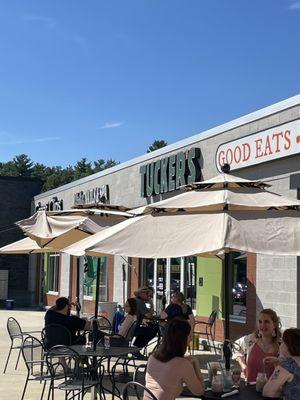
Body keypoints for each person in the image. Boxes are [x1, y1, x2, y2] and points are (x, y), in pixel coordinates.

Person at [145, 318, 205, 400]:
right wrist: (195, 362)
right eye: (189, 335)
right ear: (182, 339)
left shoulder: (153, 357)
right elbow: (200, 391)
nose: (191, 338)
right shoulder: (182, 364)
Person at [232, 308, 281, 382]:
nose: (262, 325)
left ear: (274, 324)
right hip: (250, 390)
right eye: (260, 322)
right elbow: (235, 346)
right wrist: (243, 365)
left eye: (266, 322)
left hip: (272, 392)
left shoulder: (281, 345)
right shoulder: (251, 340)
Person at [263, 328, 300, 399]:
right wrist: (278, 362)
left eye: (283, 342)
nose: (280, 344)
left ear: (289, 345)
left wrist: (284, 394)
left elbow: (268, 392)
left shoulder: (288, 365)